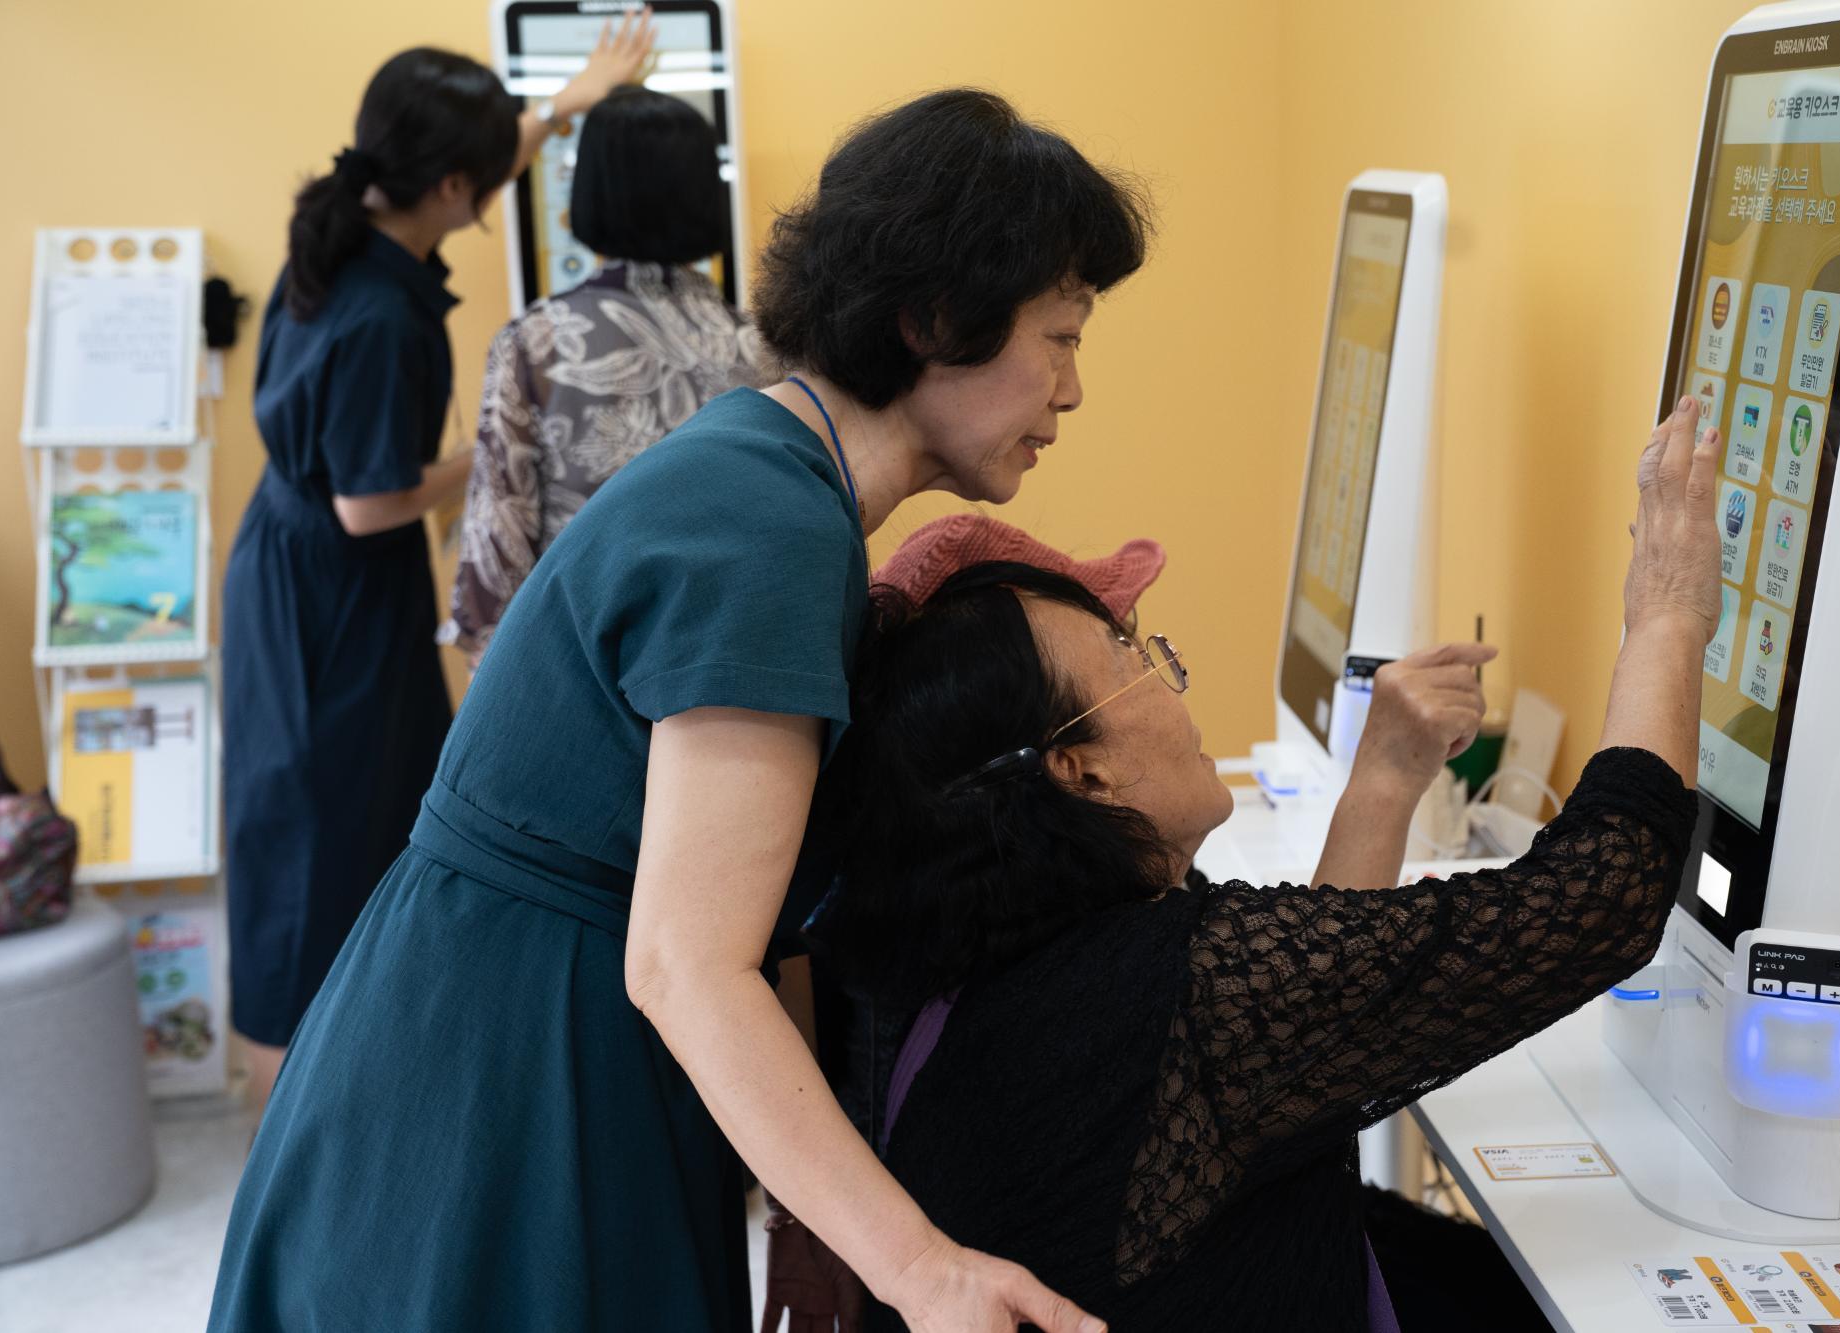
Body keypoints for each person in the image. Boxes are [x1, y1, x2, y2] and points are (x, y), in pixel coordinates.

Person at [208, 89, 1149, 1332]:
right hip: (512, 1063)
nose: (1071, 390)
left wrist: (814, 1201)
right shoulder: (766, 526)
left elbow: (741, 910)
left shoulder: (769, 472)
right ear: (931, 319)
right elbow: (687, 961)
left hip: (519, 1020)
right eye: (1061, 336)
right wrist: (920, 1266)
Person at [805, 400, 1724, 1331]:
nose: (1169, 669)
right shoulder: (1152, 993)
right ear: (1081, 773)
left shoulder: (1007, 952)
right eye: (1131, 656)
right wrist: (1669, 614)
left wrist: (1383, 778)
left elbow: (1301, 1006)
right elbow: (1604, 893)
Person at [220, 17, 656, 1111]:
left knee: (329, 818)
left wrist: (567, 102)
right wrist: (506, 440)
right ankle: (294, 1124)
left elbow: (480, 157)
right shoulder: (382, 317)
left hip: (293, 568)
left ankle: (341, 1089)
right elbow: (370, 503)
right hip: (333, 598)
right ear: (453, 186)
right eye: (492, 172)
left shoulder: (349, 229)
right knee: (320, 838)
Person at [447, 86, 772, 670]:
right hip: (731, 666)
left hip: (583, 668)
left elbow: (495, 558)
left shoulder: (537, 343)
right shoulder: (762, 348)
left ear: (589, 190)